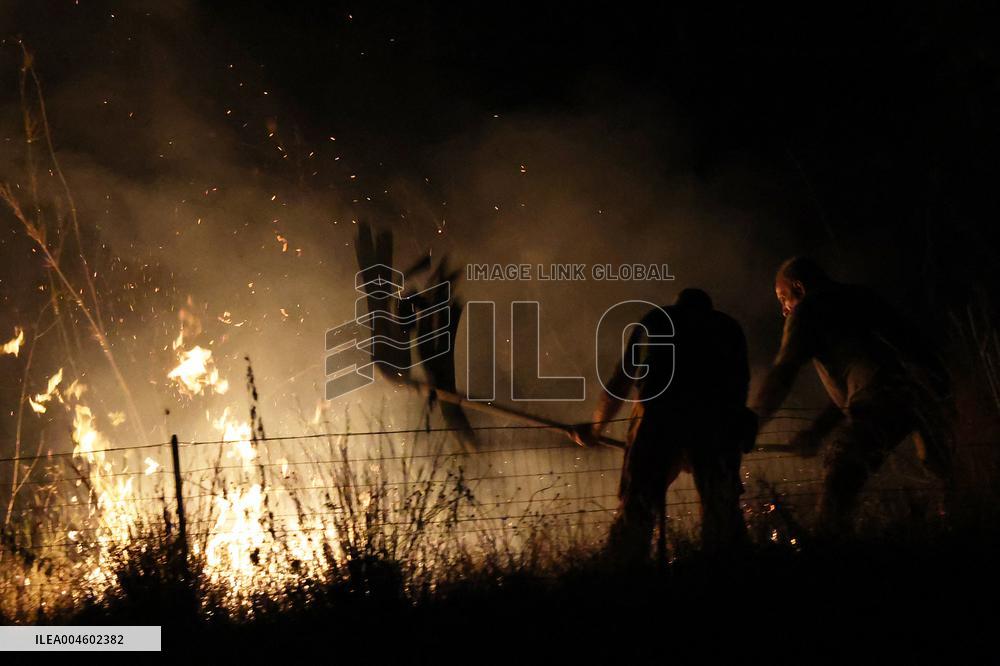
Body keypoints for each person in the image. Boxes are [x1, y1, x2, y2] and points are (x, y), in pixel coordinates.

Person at [754, 257, 955, 533]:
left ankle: (831, 553)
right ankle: (965, 528)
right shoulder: (862, 297)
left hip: (883, 399)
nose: (783, 310)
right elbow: (865, 380)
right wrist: (817, 431)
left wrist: (752, 423)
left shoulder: (808, 310)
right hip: (923, 394)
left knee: (839, 474)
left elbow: (784, 372)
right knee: (946, 476)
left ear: (798, 288)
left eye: (783, 298)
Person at [573, 288, 756, 561]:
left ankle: (621, 575)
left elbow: (621, 381)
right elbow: (740, 387)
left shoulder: (656, 320)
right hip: (714, 425)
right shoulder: (728, 328)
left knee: (638, 506)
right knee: (721, 506)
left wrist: (596, 429)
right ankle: (726, 574)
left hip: (657, 424)